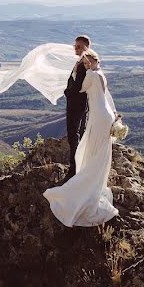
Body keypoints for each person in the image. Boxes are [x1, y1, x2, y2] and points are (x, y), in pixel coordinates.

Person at [42, 49, 119, 227]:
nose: (86, 66)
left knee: (95, 149)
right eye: (84, 64)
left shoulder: (91, 75)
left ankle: (88, 181)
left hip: (99, 116)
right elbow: (105, 96)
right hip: (105, 115)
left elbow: (80, 88)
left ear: (94, 61)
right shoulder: (101, 73)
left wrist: (77, 69)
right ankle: (95, 180)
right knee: (100, 150)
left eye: (87, 63)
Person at [63, 35, 90, 181]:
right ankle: (75, 166)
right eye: (75, 46)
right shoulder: (80, 62)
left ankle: (74, 168)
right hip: (75, 104)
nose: (76, 48)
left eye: (79, 46)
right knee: (74, 134)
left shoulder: (84, 64)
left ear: (87, 47)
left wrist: (67, 92)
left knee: (74, 135)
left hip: (77, 105)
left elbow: (78, 87)